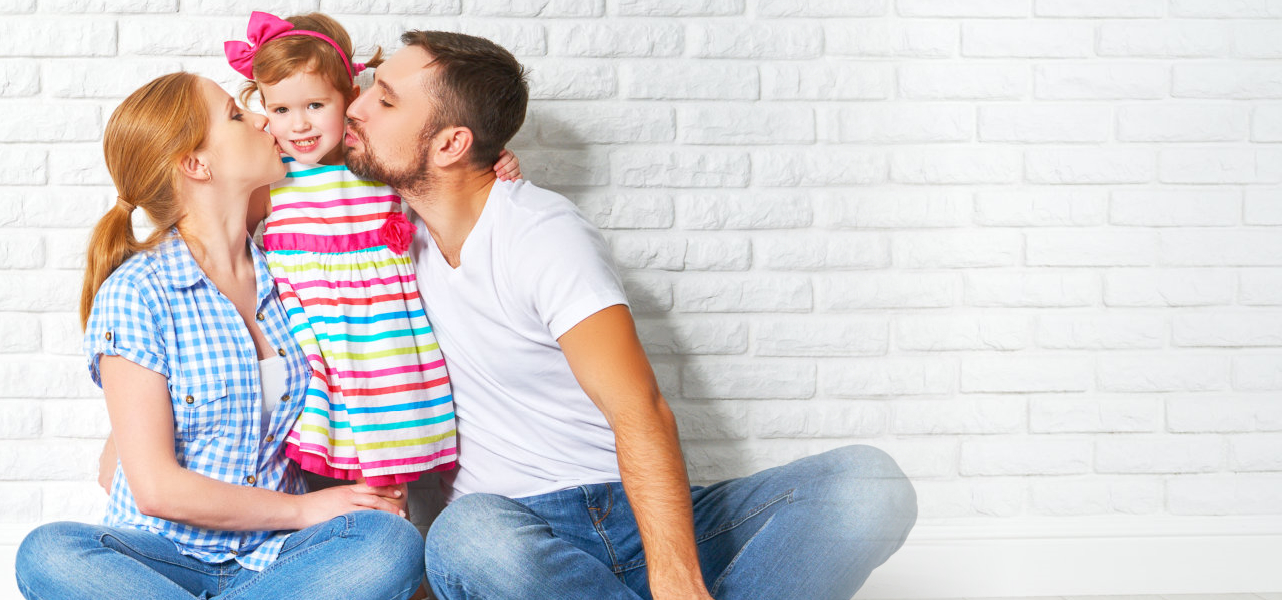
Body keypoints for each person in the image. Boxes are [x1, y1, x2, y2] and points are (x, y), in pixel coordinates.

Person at [338, 30, 920, 600]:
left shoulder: (540, 234)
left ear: (450, 145)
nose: (355, 107)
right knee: (465, 537)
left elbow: (639, 410)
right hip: (515, 540)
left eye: (384, 99)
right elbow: (272, 160)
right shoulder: (370, 240)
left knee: (870, 486)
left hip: (631, 514)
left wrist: (677, 581)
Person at [14, 72, 422, 600]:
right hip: (160, 558)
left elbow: (378, 178)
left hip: (276, 559)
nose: (262, 119)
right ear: (196, 164)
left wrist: (492, 162)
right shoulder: (139, 291)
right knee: (49, 552)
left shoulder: (295, 272)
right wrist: (304, 509)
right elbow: (156, 488)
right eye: (237, 114)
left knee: (391, 542)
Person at [226, 10, 518, 498]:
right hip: (312, 335)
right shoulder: (273, 174)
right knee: (321, 457)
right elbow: (230, 239)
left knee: (389, 459)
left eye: (315, 105)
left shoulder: (376, 162)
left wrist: (492, 161)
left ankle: (399, 548)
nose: (298, 125)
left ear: (350, 98)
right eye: (280, 111)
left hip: (383, 333)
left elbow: (442, 182)